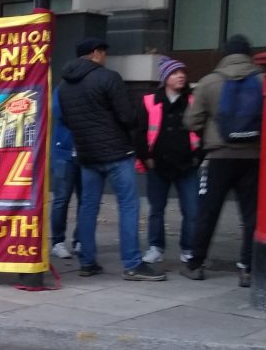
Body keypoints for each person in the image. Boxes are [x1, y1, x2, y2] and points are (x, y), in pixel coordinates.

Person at [58, 38, 165, 281]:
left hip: (86, 154)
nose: (105, 57)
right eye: (104, 53)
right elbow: (127, 116)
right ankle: (132, 264)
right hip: (116, 153)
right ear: (96, 53)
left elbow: (66, 120)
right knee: (128, 205)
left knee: (88, 207)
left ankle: (87, 261)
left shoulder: (64, 86)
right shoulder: (108, 78)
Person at [181, 35, 262, 288]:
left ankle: (196, 264)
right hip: (254, 157)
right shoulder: (264, 80)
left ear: (225, 54)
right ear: (249, 54)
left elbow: (190, 122)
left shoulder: (209, 82)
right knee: (251, 215)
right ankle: (247, 268)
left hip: (218, 157)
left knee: (207, 212)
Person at [135, 56, 201, 265]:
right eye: (175, 73)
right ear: (165, 78)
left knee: (192, 210)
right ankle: (156, 247)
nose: (180, 76)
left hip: (187, 165)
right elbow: (139, 132)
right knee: (156, 209)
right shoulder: (149, 101)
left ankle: (188, 248)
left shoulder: (193, 100)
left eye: (183, 72)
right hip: (158, 165)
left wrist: (198, 157)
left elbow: (204, 129)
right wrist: (146, 158)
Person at [50, 88, 81, 259]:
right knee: (61, 199)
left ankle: (81, 240)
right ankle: (57, 242)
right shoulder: (63, 89)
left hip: (86, 153)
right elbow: (58, 112)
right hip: (64, 152)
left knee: (87, 200)